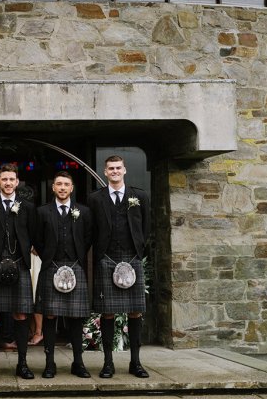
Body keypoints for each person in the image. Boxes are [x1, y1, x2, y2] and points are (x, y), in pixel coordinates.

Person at [87, 155, 151, 379]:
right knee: (107, 313)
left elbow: (146, 227)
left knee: (135, 311)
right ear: (105, 172)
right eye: (110, 168)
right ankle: (108, 363)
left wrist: (139, 250)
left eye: (118, 168)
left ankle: (136, 363)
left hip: (132, 257)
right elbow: (91, 229)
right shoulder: (95, 198)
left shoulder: (139, 196)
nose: (114, 171)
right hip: (106, 258)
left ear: (125, 170)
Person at [0, 163, 36, 381]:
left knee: (21, 313)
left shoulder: (27, 207)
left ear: (17, 182)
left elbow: (33, 233)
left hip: (19, 263)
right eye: (4, 179)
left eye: (12, 179)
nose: (8, 183)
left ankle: (22, 364)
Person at [33, 171, 92, 379]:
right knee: (49, 316)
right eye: (59, 184)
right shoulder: (42, 212)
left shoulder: (83, 211)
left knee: (76, 317)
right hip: (51, 266)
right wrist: (48, 258)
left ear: (72, 188)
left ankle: (78, 362)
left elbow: (87, 238)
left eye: (66, 184)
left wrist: (76, 257)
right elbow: (37, 239)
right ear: (53, 187)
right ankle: (50, 364)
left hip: (75, 265)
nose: (62, 188)